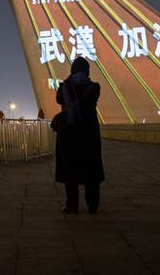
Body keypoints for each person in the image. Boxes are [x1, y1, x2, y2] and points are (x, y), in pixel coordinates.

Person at [55, 57, 105, 214]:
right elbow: (92, 101)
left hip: (70, 132)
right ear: (87, 70)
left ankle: (72, 204)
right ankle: (92, 204)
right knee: (91, 168)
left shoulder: (65, 86)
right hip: (89, 132)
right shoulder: (94, 87)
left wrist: (68, 83)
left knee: (70, 167)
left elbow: (59, 100)